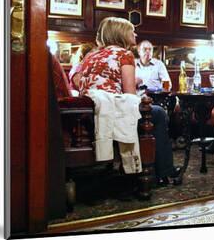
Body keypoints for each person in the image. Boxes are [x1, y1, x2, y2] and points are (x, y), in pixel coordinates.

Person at [74, 17, 181, 186]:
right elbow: (130, 95)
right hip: (113, 113)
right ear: (121, 33)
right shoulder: (124, 54)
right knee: (159, 113)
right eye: (132, 30)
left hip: (89, 114)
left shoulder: (91, 55)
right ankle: (163, 171)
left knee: (154, 112)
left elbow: (77, 79)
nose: (135, 33)